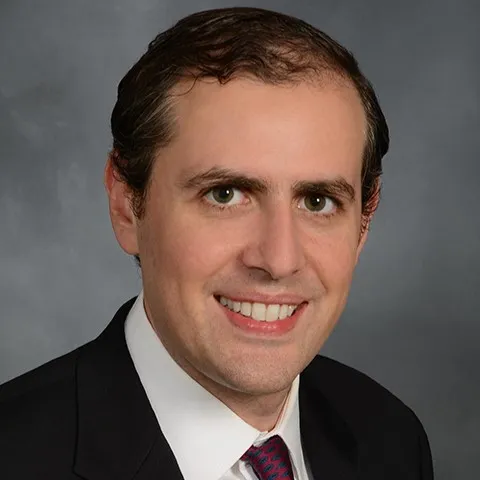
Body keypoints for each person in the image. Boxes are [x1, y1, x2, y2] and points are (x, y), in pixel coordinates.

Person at [0, 6, 434, 480]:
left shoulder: (390, 438)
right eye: (225, 194)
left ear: (364, 223)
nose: (279, 260)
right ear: (126, 205)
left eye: (317, 201)